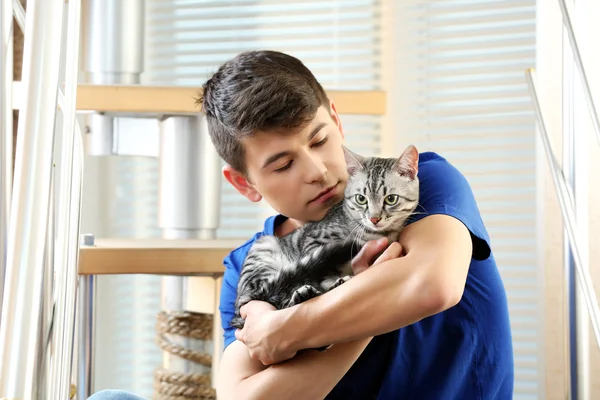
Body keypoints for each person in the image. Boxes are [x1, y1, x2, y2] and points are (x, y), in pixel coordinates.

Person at [91, 49, 514, 399]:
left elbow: (430, 286)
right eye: (283, 164)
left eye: (319, 140)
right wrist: (364, 295)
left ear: (336, 119)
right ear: (244, 184)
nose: (316, 171)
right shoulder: (249, 265)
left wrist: (283, 328)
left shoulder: (421, 186)